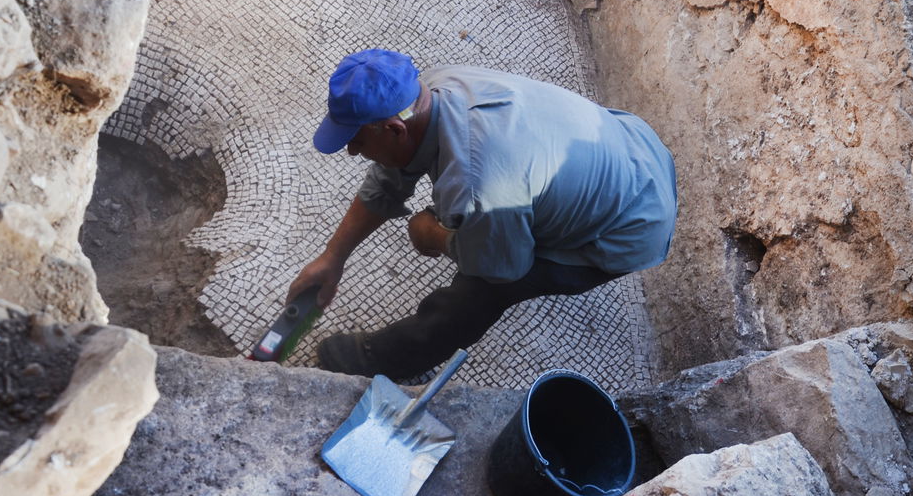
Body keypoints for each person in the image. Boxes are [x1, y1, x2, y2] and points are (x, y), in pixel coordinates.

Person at [289, 48, 677, 379]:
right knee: (490, 225)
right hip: (630, 146)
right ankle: (537, 210)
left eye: (355, 141)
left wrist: (434, 236)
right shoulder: (434, 88)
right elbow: (390, 174)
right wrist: (332, 258)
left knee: (486, 286)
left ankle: (390, 358)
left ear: (393, 129)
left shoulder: (478, 186)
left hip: (634, 224)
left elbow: (502, 268)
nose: (352, 153)